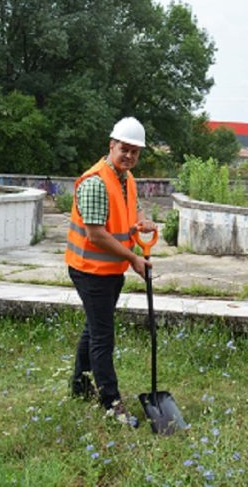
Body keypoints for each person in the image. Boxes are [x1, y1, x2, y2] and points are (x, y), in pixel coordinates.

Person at [65, 117, 157, 428]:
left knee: (94, 328)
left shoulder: (125, 178)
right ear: (111, 146)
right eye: (124, 149)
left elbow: (135, 206)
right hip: (90, 270)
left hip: (110, 269)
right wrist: (133, 258)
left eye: (135, 151)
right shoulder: (95, 182)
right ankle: (111, 401)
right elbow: (96, 234)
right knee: (103, 336)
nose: (129, 156)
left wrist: (143, 222)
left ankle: (79, 385)